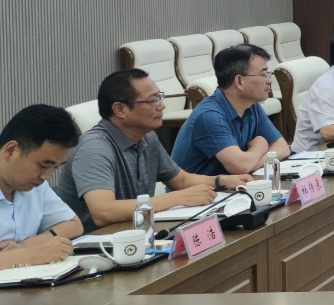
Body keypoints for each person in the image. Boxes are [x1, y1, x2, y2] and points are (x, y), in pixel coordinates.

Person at [56, 70, 251, 232]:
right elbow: (103, 212)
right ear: (120, 109)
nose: (162, 106)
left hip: (136, 232)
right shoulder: (94, 148)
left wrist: (221, 181)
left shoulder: (147, 137)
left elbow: (181, 180)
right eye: (153, 101)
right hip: (96, 246)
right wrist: (178, 198)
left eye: (160, 97)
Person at [171, 44, 291, 176]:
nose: (270, 81)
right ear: (239, 81)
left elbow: (282, 147)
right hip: (196, 188)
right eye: (264, 75)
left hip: (229, 185)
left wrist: (253, 163)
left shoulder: (252, 106)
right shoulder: (209, 115)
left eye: (268, 74)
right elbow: (240, 167)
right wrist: (259, 146)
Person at [0, 105, 83, 270]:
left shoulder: (34, 185)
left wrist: (24, 247)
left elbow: (73, 224)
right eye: (43, 165)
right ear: (11, 150)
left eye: (55, 168)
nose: (46, 176)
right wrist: (28, 255)